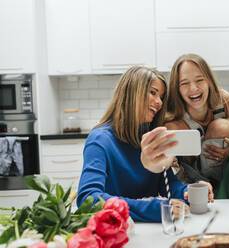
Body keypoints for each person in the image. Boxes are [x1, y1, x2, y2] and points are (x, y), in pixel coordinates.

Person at [77, 66, 213, 223]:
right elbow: (88, 198)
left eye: (161, 97)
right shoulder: (100, 140)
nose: (159, 102)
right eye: (153, 93)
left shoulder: (152, 139)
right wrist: (154, 208)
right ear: (132, 93)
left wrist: (192, 191)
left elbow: (169, 185)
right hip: (115, 230)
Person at [165, 53, 229, 192]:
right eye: (184, 83)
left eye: (199, 80)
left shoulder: (224, 101)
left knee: (220, 126)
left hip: (226, 174)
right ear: (176, 88)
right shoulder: (170, 115)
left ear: (209, 80)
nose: (193, 88)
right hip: (189, 183)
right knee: (173, 127)